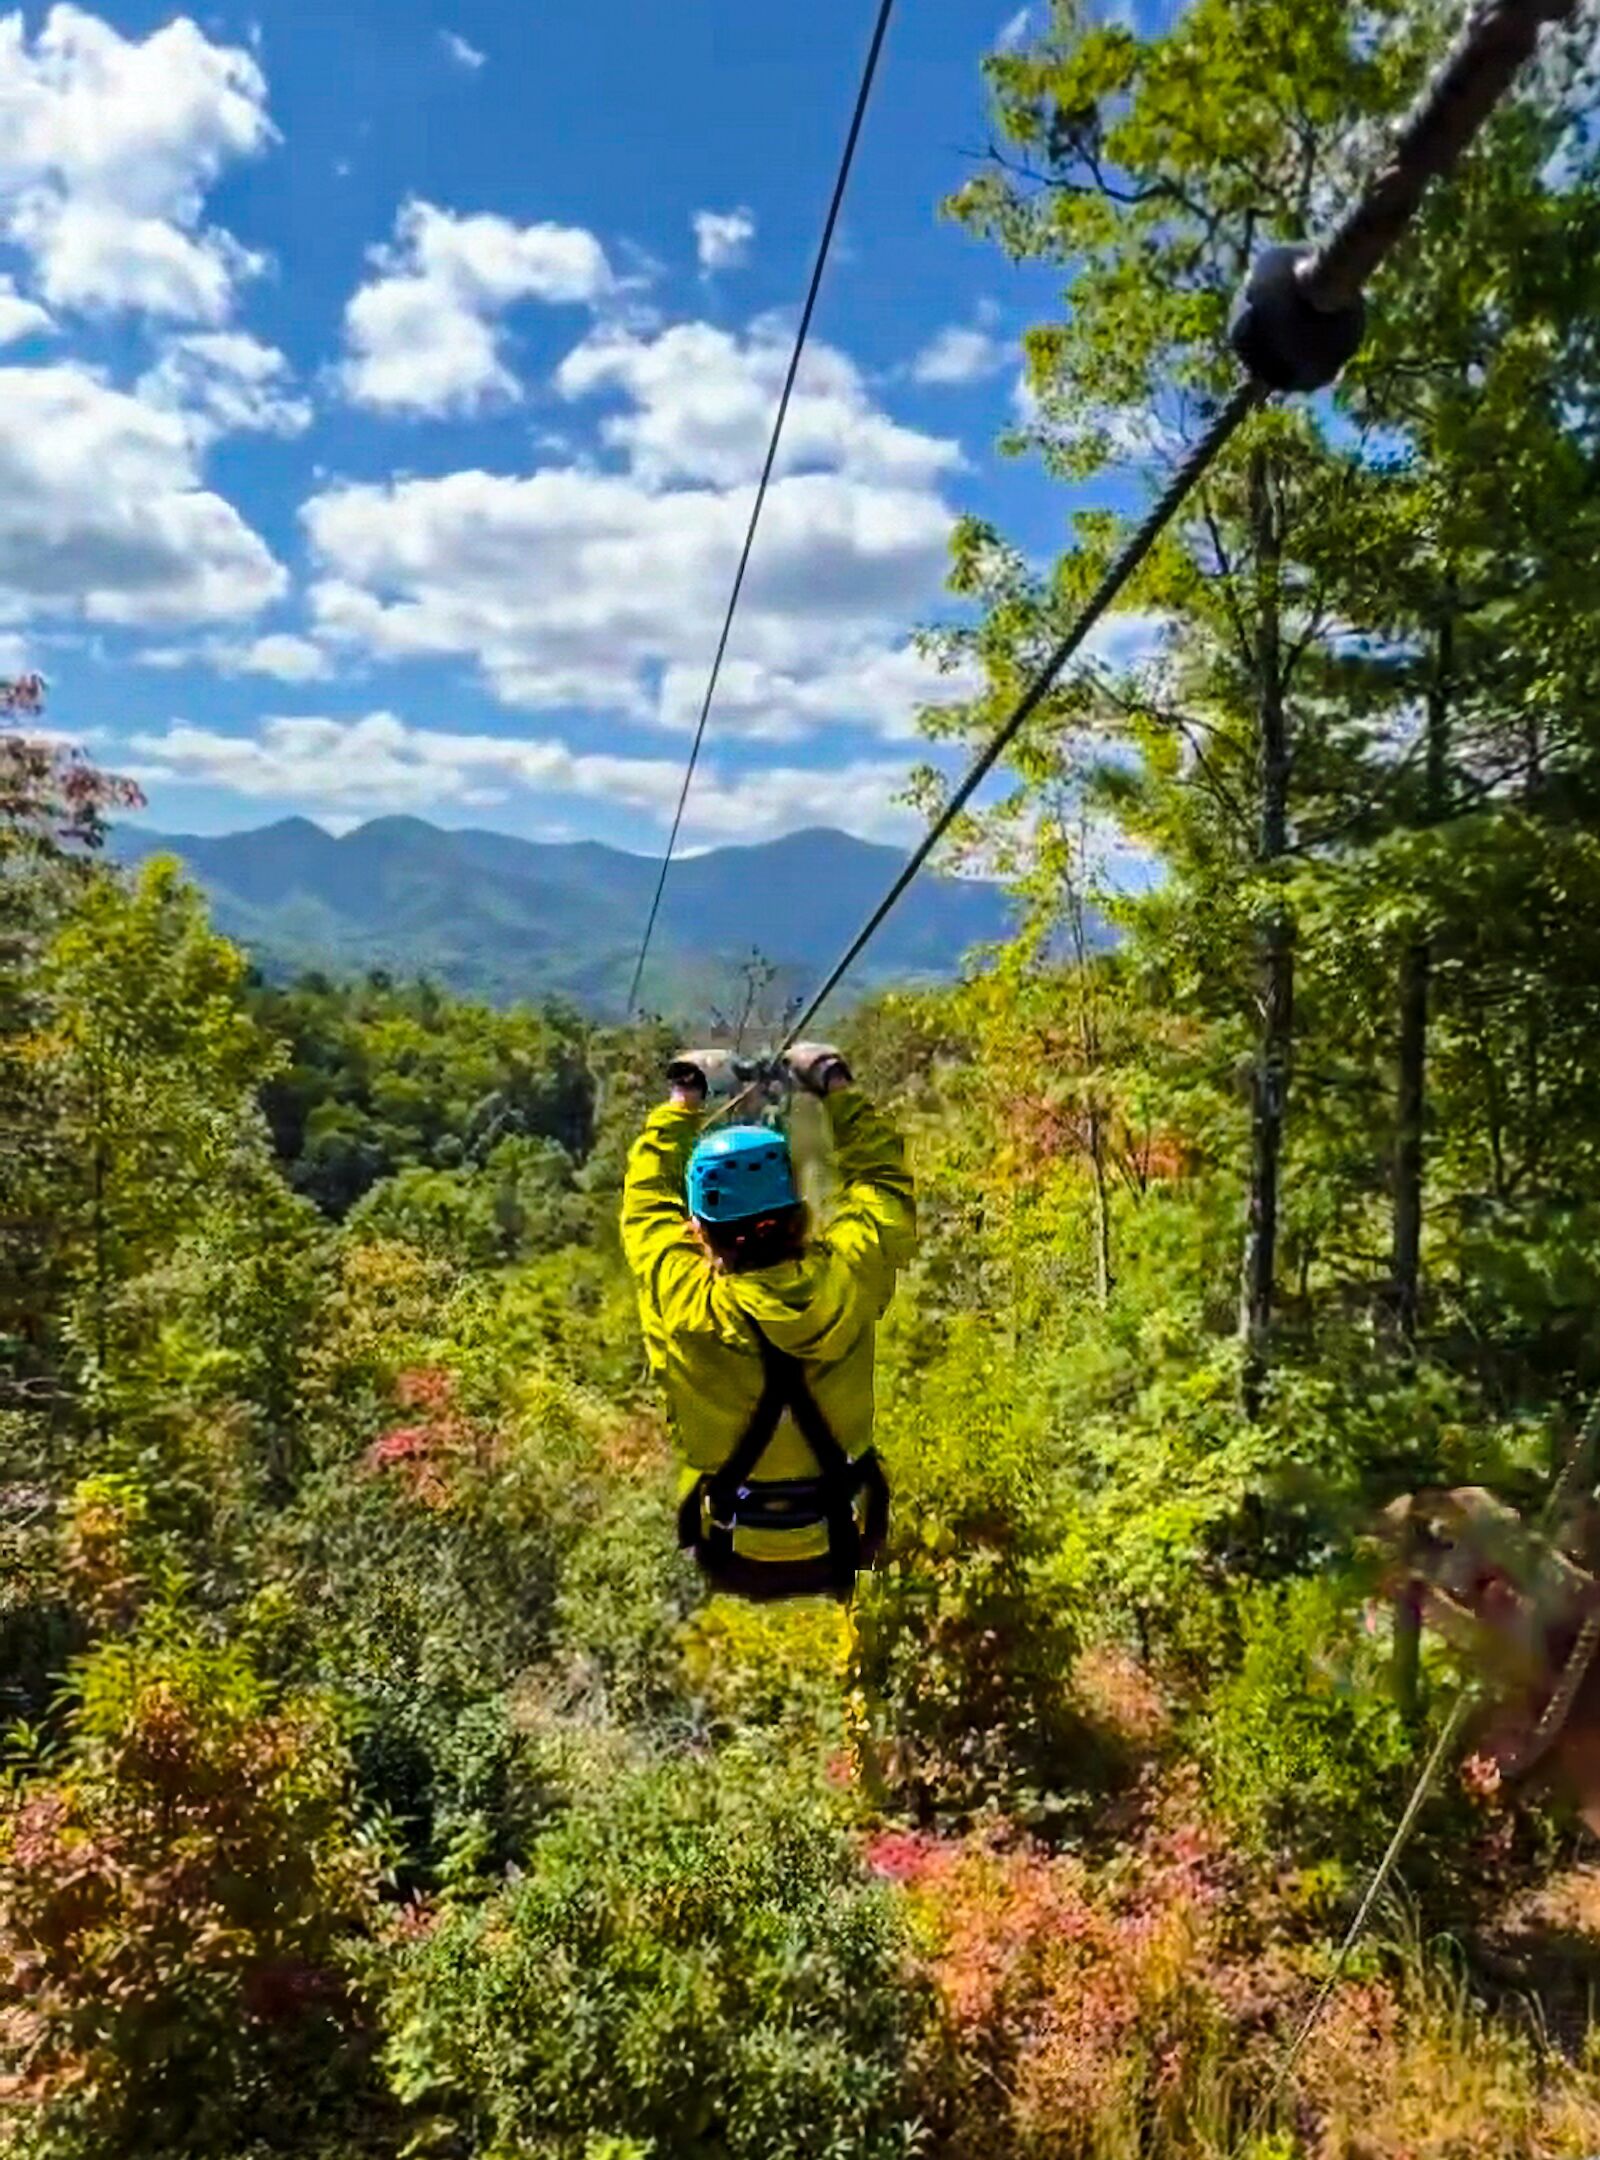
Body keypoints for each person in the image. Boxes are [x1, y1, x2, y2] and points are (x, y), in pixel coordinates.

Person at [620, 1040, 916, 1603]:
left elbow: (646, 1205)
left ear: (699, 1231)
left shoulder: (685, 1301)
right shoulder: (847, 1278)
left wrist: (685, 1098)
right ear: (797, 1212)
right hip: (845, 1539)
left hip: (732, 1550)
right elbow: (883, 1187)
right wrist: (832, 1082)